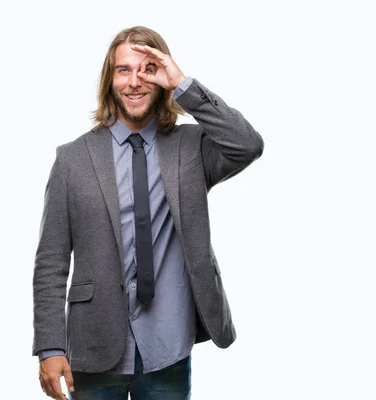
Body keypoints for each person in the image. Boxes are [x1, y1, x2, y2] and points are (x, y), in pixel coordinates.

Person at [32, 25, 264, 400]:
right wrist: (49, 345)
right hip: (94, 344)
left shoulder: (191, 147)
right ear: (109, 80)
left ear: (162, 78)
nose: (135, 81)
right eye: (123, 70)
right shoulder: (72, 160)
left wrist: (184, 84)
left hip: (167, 344)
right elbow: (50, 261)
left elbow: (248, 145)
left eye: (148, 69)